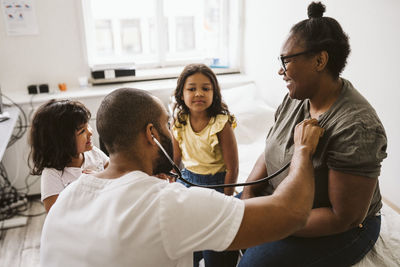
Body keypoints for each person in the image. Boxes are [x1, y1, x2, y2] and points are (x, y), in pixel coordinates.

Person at [40, 88, 324, 267]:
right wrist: (302, 150)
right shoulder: (167, 203)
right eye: (166, 124)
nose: (172, 133)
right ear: (152, 134)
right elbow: (292, 213)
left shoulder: (66, 199)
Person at [210, 2, 387, 267]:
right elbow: (271, 148)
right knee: (213, 232)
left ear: (319, 60)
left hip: (335, 226)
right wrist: (247, 197)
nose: (280, 71)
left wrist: (273, 220)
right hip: (281, 204)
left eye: (286, 61)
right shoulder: (296, 98)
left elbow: (343, 217)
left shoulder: (357, 126)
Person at [29, 99, 109, 212]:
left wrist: (100, 178)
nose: (90, 132)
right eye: (82, 131)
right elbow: (55, 214)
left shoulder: (94, 153)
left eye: (88, 126)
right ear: (61, 141)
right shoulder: (52, 174)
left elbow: (115, 173)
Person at [171, 63, 238, 196]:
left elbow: (233, 169)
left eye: (206, 89)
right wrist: (171, 185)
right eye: (191, 89)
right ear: (182, 94)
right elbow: (175, 161)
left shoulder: (221, 124)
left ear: (214, 93)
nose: (199, 93)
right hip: (186, 181)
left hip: (216, 185)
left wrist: (227, 198)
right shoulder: (179, 122)